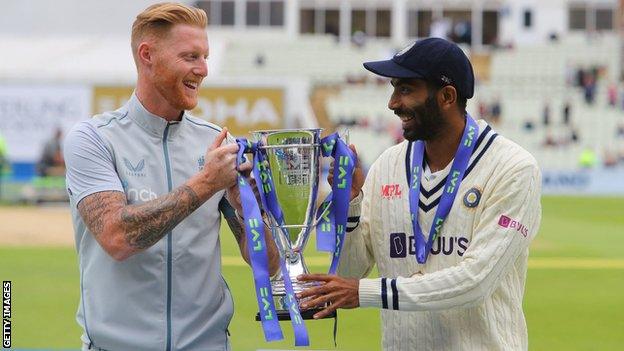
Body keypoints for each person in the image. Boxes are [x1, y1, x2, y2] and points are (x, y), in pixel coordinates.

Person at [298, 38, 542, 350]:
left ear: (447, 97)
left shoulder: (513, 168)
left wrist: (367, 293)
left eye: (406, 89)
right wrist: (352, 203)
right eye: (394, 88)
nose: (392, 103)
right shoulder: (388, 164)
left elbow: (475, 282)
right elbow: (350, 273)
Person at [63, 3, 278, 350]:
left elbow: (267, 264)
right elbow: (117, 237)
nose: (204, 69)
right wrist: (207, 182)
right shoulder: (93, 139)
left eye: (205, 56)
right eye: (191, 56)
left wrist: (248, 212)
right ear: (147, 55)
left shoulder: (215, 143)